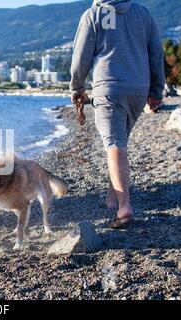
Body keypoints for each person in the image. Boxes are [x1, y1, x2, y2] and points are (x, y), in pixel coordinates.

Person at [70, 0, 166, 228]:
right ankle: (113, 198)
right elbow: (156, 54)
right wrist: (156, 90)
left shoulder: (94, 15)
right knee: (119, 144)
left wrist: (76, 87)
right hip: (138, 90)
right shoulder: (143, 14)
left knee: (114, 146)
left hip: (109, 89)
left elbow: (81, 55)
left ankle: (124, 207)